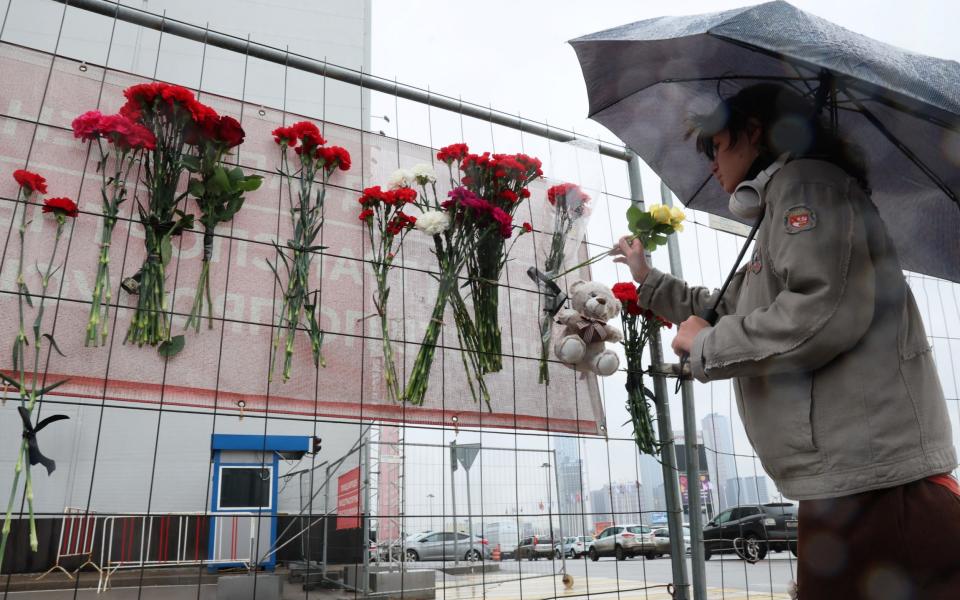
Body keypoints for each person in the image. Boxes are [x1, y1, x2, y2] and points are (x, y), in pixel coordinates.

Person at [611, 83, 960, 599]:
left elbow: (821, 311)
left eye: (718, 144)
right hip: (852, 477)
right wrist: (648, 278)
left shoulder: (808, 187)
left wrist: (707, 346)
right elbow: (728, 308)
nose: (711, 162)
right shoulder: (782, 205)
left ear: (754, 133)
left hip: (875, 483)